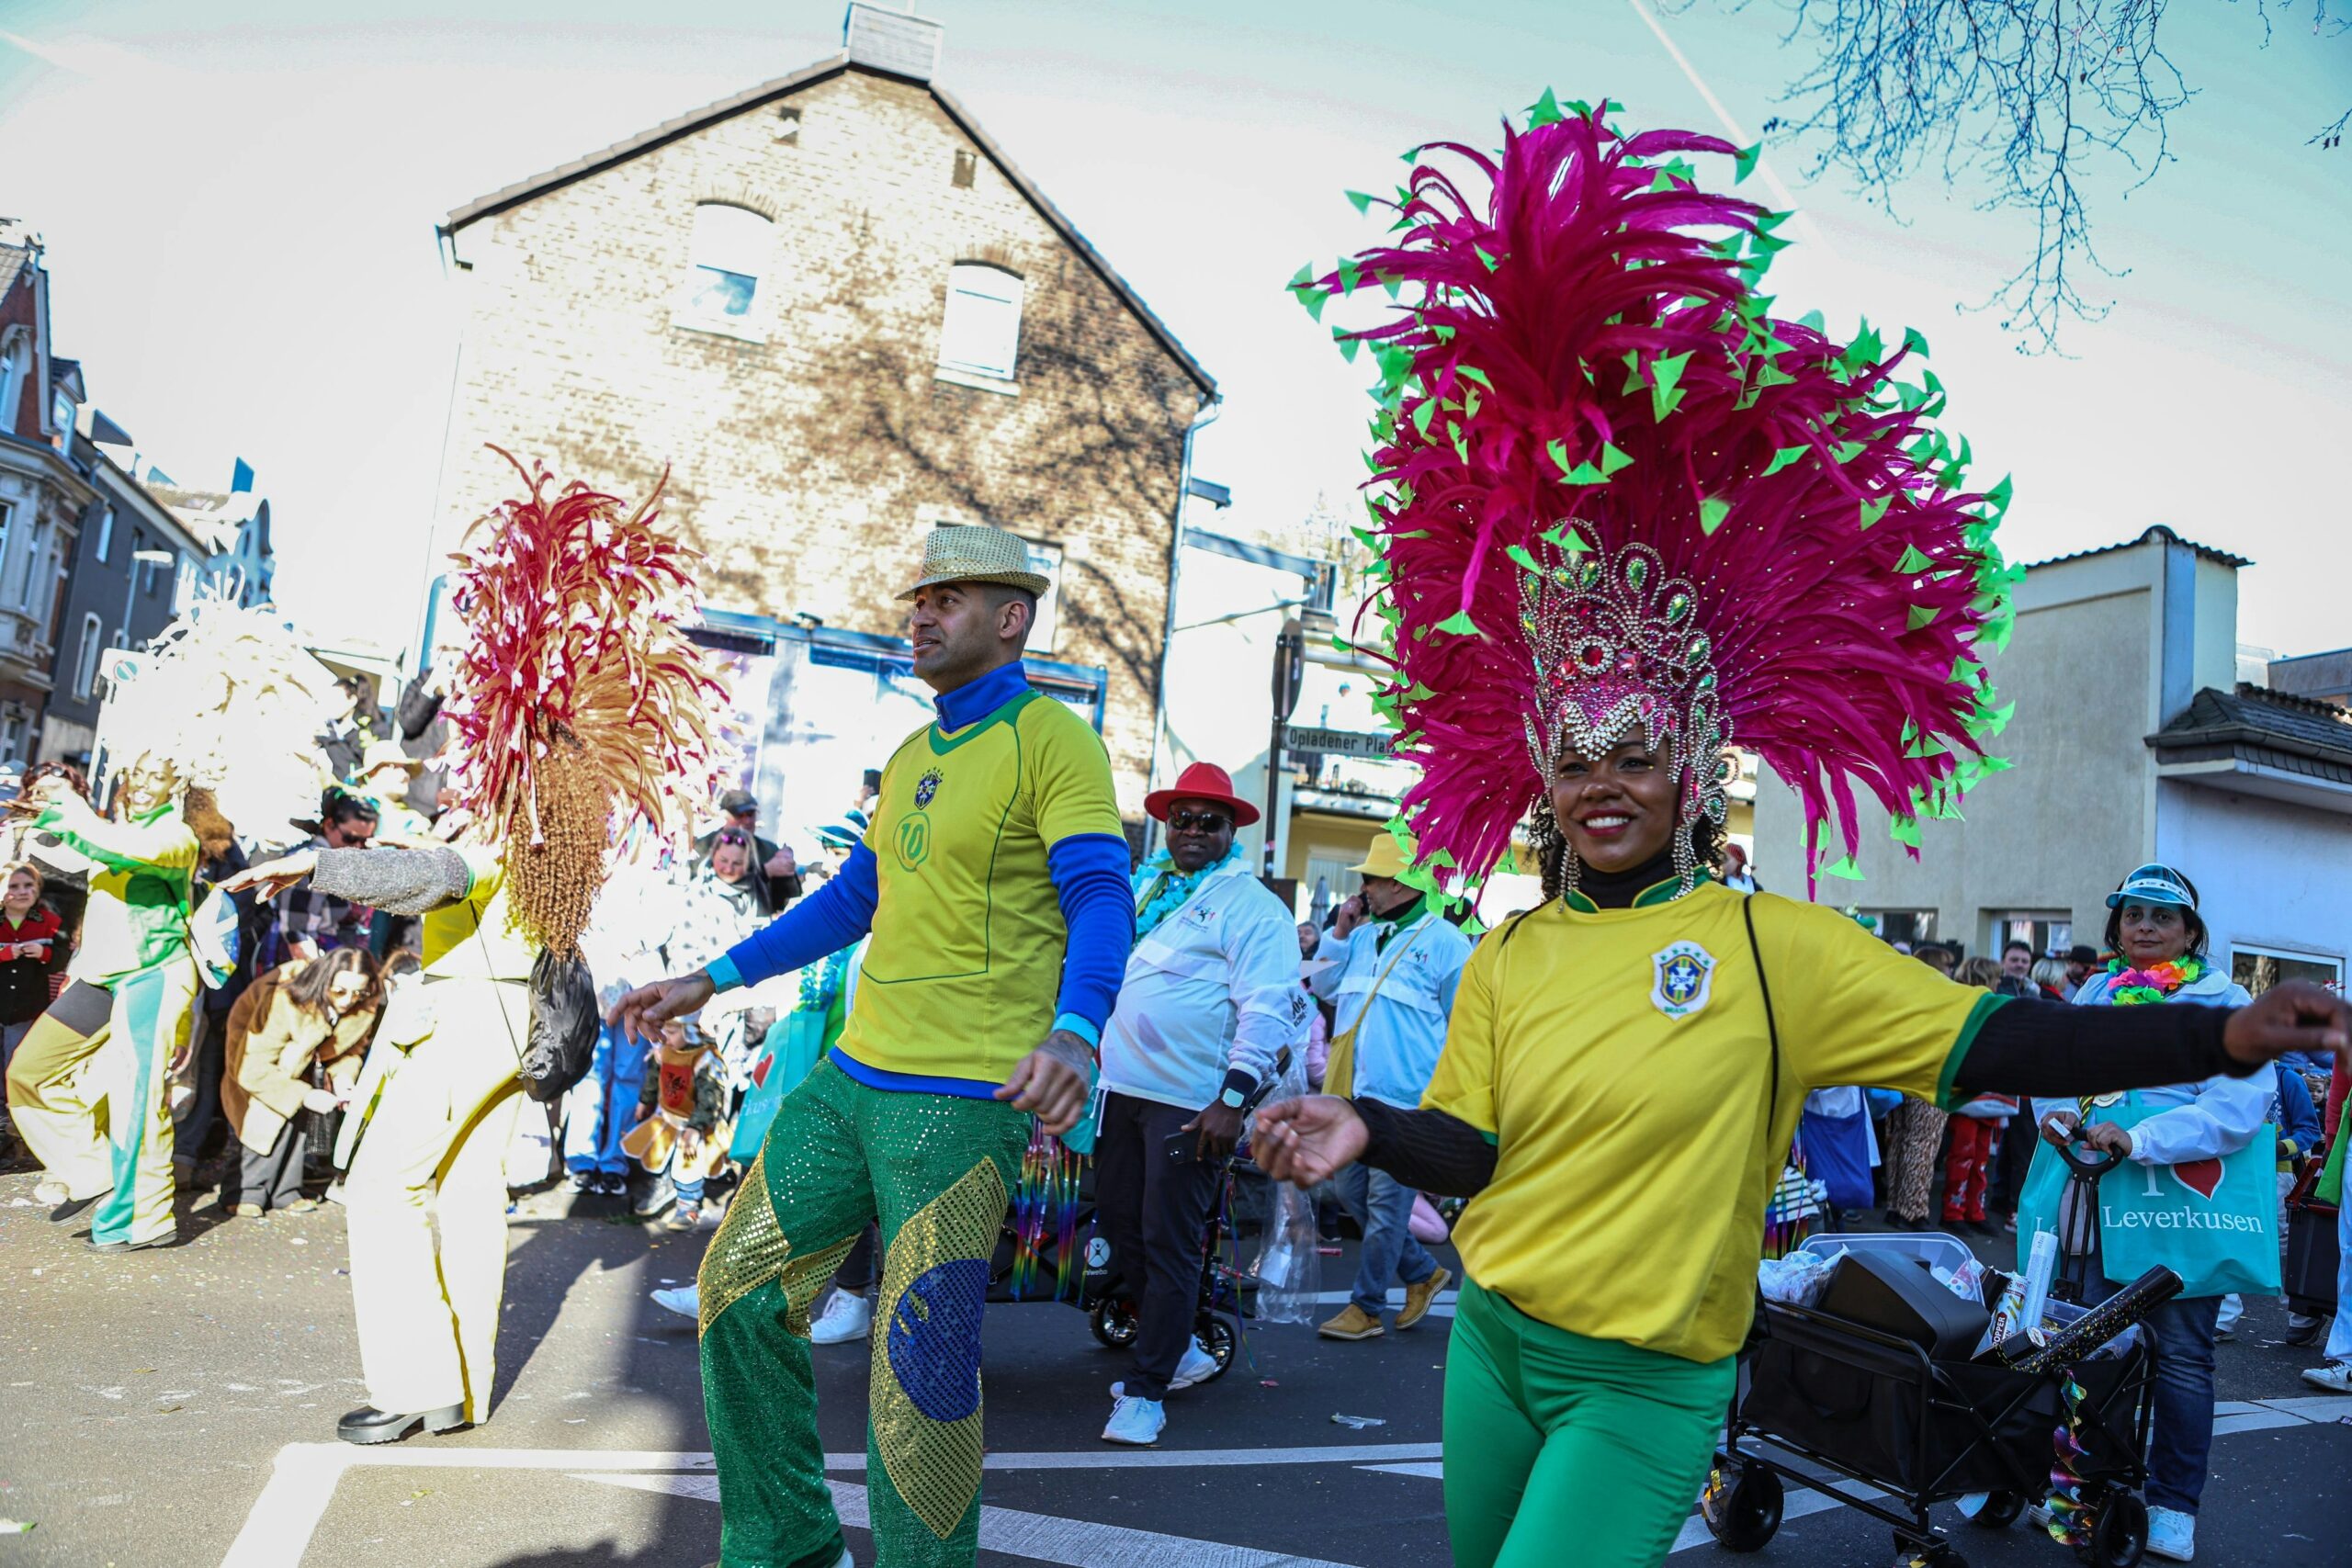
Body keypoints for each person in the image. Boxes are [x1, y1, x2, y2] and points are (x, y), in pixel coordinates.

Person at [1249, 102, 2350, 1568]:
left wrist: (2218, 1039)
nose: (1602, 784)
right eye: (1576, 758)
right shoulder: (1512, 951)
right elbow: (1477, 1143)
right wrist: (1367, 1126)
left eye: (1635, 752)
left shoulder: (1776, 950)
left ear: (1694, 770)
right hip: (1492, 1343)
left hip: (1647, 1378)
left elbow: (2000, 1048)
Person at [612, 522, 1131, 1568]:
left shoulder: (1053, 739)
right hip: (848, 1083)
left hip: (960, 1102)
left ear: (1011, 618)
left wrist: (1076, 1031)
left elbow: (1099, 893)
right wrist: (711, 978)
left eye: (947, 600)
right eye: (918, 601)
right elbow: (851, 899)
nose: (921, 616)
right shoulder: (908, 756)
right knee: (739, 1293)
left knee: (920, 1366)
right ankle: (789, 1545)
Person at [223, 452, 726, 1446]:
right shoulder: (546, 810)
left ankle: (415, 1385)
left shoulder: (506, 818)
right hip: (504, 1026)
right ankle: (457, 1384)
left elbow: (436, 876)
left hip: (464, 1022)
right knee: (460, 1196)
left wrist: (315, 865)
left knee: (383, 1185)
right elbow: (430, 846)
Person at [2030, 863, 2260, 1562]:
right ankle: (2088, 1491)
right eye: (2133, 914)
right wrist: (2054, 1110)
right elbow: (2052, 1064)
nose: (2145, 927)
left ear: (2190, 930)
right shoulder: (2096, 989)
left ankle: (2172, 1503)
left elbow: (2237, 1111)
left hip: (2184, 1206)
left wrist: (2141, 1136)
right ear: (2116, 924)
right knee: (2100, 1353)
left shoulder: (2222, 999)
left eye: (2162, 916)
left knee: (2184, 1358)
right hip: (2103, 1201)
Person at [1094, 761, 1306, 1445]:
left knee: (1170, 1240)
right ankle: (1179, 1347)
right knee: (1123, 1227)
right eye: (1180, 818)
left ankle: (1148, 1391)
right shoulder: (1145, 885)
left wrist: (1232, 1099)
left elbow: (1268, 1007)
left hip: (1190, 1103)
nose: (1191, 830)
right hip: (1120, 1092)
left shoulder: (1253, 907)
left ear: (1230, 829)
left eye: (1207, 821)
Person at [5, 763, 203, 1249]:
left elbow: (118, 848)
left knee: (136, 1099)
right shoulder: (111, 831)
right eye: (134, 774)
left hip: (152, 975)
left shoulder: (176, 837)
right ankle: (93, 1171)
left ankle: (144, 1219)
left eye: (155, 776)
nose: (140, 784)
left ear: (175, 786)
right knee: (27, 1073)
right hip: (98, 976)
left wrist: (65, 807)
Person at [1307, 831, 1468, 1340]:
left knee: (1385, 1208)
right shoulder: (1359, 938)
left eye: (1372, 880)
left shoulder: (1445, 942)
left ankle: (1367, 1307)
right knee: (1346, 1189)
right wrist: (1338, 931)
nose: (1364, 890)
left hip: (1405, 1102)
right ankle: (1422, 1273)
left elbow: (1464, 1024)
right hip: (1352, 1096)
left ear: (1401, 886)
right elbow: (1324, 988)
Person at [219, 950, 383, 1215]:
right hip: (258, 1053)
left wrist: (343, 1080)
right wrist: (304, 1094)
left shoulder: (364, 1006)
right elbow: (254, 1068)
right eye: (340, 991)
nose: (349, 1001)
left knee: (305, 1115)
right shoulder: (285, 997)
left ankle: (286, 1190)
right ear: (323, 982)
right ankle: (246, 1191)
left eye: (358, 993)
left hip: (307, 1060)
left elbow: (349, 1051)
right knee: (268, 1112)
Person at [623, 1014, 729, 1231]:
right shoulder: (665, 1050)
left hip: (695, 1123)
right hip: (668, 1118)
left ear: (690, 1031)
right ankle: (664, 1187)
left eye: (671, 1032)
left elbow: (711, 1098)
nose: (665, 1037)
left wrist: (695, 1127)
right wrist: (645, 1100)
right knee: (658, 1156)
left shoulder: (706, 1059)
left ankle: (689, 1205)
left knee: (689, 1165)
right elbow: (655, 1076)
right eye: (664, 1031)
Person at [1940, 957, 2015, 1232]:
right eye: (1995, 978)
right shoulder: (1963, 1005)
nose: (1998, 984)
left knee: (1982, 1158)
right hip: (1967, 1096)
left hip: (1990, 1096)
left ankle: (1974, 1211)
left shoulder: (1991, 1005)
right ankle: (1953, 1212)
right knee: (1962, 1156)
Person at [267, 791, 379, 964]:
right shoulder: (309, 861)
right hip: (306, 962)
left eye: (365, 842)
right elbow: (299, 939)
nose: (358, 846)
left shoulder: (342, 859)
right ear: (329, 825)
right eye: (350, 838)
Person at [0, 862, 66, 1066]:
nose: (22, 892)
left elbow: (62, 959)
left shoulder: (50, 922)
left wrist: (44, 953)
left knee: (17, 1059)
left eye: (29, 886)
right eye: (13, 886)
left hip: (26, 1008)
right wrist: (5, 953)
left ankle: (13, 1097)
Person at [705, 787, 804, 911]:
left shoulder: (768, 849)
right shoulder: (704, 846)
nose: (747, 821)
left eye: (751, 814)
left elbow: (786, 900)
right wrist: (765, 872)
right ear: (724, 816)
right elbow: (714, 886)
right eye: (740, 815)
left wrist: (788, 873)